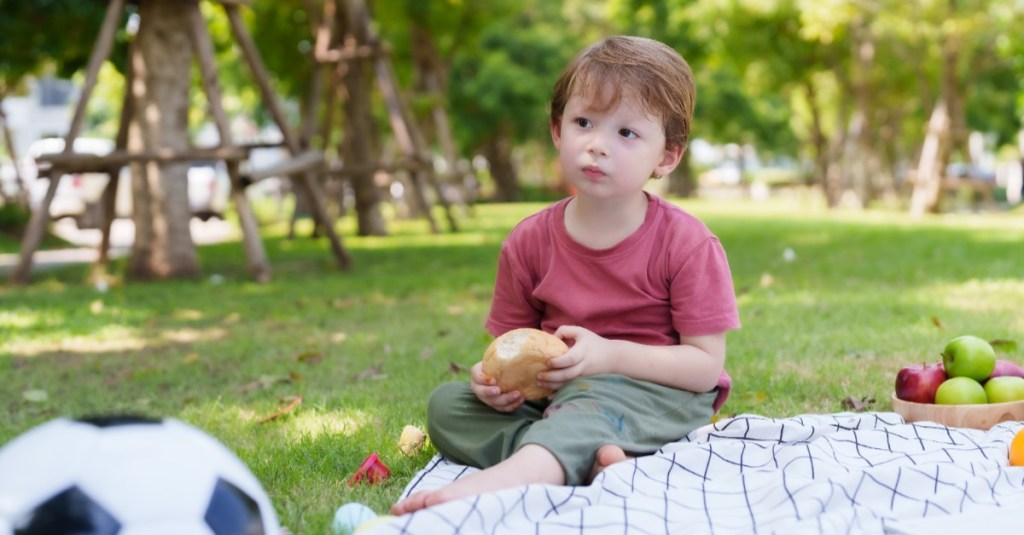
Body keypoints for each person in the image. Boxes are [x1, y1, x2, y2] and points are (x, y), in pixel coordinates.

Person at [391, 35, 740, 515]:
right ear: (558, 130)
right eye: (584, 123)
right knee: (447, 407)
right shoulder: (528, 241)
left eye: (626, 133)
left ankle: (501, 482)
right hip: (559, 396)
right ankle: (583, 457)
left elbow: (704, 367)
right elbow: (513, 346)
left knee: (588, 400)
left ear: (667, 156)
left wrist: (609, 356)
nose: (597, 145)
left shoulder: (687, 244)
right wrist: (492, 385)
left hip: (661, 395)